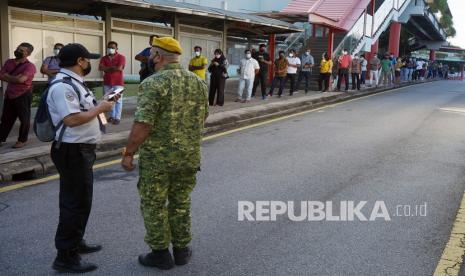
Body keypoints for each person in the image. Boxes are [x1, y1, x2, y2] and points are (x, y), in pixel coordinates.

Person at [121, 37, 208, 270]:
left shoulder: (152, 83)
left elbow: (143, 124)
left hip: (158, 160)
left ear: (157, 56)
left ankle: (160, 254)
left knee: (154, 203)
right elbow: (203, 117)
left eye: (151, 54)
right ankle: (181, 250)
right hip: (188, 157)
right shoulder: (199, 83)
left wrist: (129, 152)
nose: (150, 58)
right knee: (181, 201)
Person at [48, 43, 115, 273]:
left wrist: (102, 103)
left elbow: (84, 110)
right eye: (88, 59)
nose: (90, 63)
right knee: (74, 203)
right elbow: (72, 120)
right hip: (72, 150)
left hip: (81, 149)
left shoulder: (75, 83)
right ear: (80, 61)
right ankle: (65, 257)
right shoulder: (62, 86)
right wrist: (100, 109)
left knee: (81, 201)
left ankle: (76, 241)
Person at [0, 42, 36, 149]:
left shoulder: (30, 66)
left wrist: (8, 76)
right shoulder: (9, 62)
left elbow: (21, 79)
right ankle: (1, 138)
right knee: (6, 118)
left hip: (23, 94)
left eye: (21, 51)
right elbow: (1, 75)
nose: (18, 52)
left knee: (24, 119)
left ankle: (22, 140)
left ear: (28, 54)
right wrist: (15, 79)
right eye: (18, 49)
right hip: (10, 94)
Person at [99, 41, 126, 125]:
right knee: (108, 99)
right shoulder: (104, 58)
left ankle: (117, 118)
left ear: (116, 49)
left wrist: (106, 68)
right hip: (107, 82)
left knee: (118, 100)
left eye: (112, 48)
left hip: (118, 83)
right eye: (109, 47)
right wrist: (113, 68)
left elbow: (119, 68)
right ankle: (111, 116)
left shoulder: (121, 57)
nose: (110, 49)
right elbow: (100, 68)